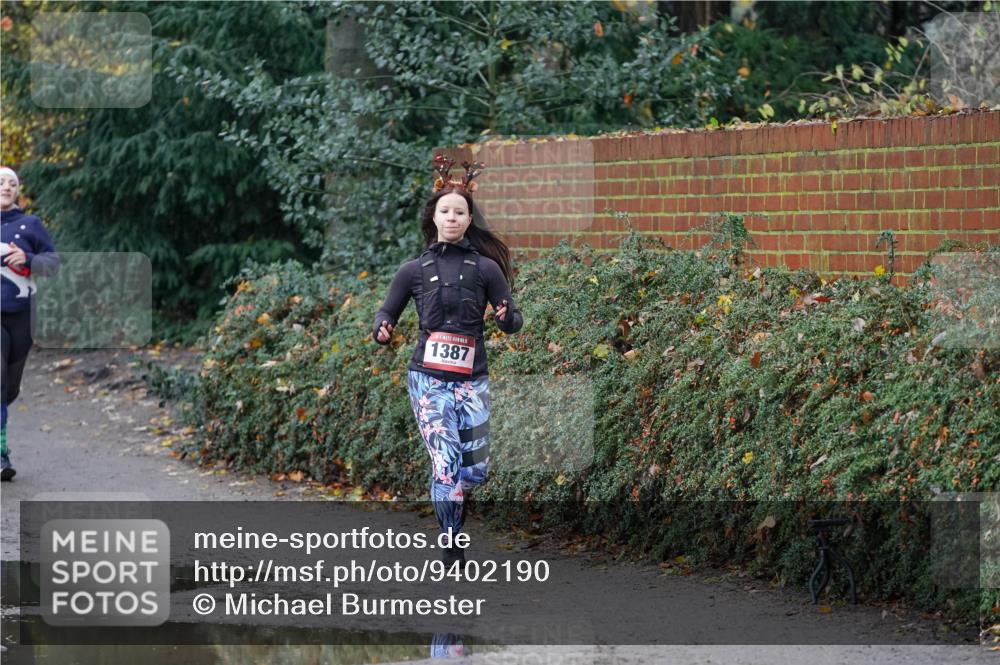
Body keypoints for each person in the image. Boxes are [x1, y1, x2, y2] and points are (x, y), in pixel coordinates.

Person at [372, 155, 523, 567]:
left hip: (473, 380)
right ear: (434, 217)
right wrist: (382, 329)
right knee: (446, 461)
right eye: (445, 211)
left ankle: (452, 506)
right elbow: (386, 313)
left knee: (472, 472)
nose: (452, 218)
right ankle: (452, 541)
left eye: (460, 212)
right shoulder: (413, 270)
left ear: (469, 219)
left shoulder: (487, 269)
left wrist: (507, 317)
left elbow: (513, 319)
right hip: (429, 379)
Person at [1, 166, 60, 481]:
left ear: (17, 192)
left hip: (22, 317)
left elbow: (52, 264)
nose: (6, 187)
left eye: (12, 183)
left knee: (9, 389)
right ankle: (0, 454)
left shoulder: (31, 225)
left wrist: (28, 259)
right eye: (1, 182)